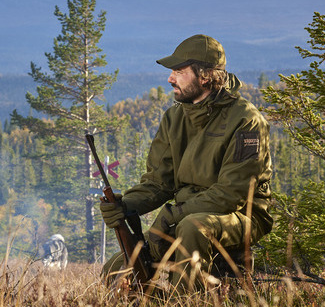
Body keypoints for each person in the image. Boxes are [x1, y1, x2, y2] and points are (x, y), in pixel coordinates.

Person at [100, 34, 273, 291]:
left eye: (179, 72)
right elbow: (159, 182)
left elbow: (232, 194)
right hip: (183, 217)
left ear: (205, 76)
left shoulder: (246, 120)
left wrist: (175, 214)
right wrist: (124, 205)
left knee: (193, 227)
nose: (170, 79)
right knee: (113, 270)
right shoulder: (174, 118)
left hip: (240, 215)